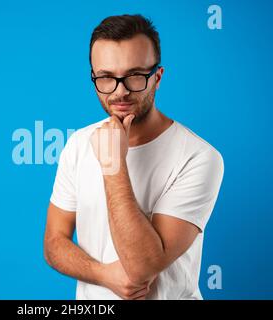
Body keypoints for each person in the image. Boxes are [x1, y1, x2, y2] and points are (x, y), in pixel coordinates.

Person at [43, 14, 224, 300]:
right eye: (106, 78)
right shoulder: (78, 144)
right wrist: (103, 274)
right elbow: (54, 242)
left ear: (158, 77)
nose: (120, 90)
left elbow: (141, 268)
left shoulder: (199, 157)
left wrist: (113, 165)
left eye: (135, 76)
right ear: (94, 78)